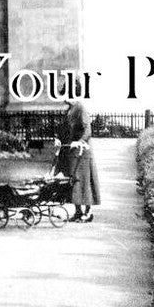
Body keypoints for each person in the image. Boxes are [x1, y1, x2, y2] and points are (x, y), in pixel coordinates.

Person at [53, 92, 101, 222]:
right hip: (72, 152)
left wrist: (79, 141)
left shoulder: (80, 108)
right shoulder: (70, 109)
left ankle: (88, 212)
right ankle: (78, 212)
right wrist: (58, 139)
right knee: (74, 182)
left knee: (84, 182)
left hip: (82, 152)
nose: (63, 99)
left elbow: (87, 130)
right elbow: (64, 129)